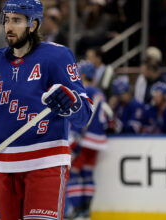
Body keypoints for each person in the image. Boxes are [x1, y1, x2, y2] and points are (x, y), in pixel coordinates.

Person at [0, 0, 93, 219]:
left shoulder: (57, 57)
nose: (9, 27)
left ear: (34, 25)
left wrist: (71, 102)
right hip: (4, 168)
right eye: (7, 20)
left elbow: (84, 114)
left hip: (46, 164)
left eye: (16, 21)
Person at [66, 61, 107, 220]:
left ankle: (77, 211)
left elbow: (80, 116)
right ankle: (86, 212)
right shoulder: (99, 92)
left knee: (75, 173)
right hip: (98, 140)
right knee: (88, 174)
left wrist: (74, 137)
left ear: (81, 75)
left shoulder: (83, 90)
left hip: (84, 139)